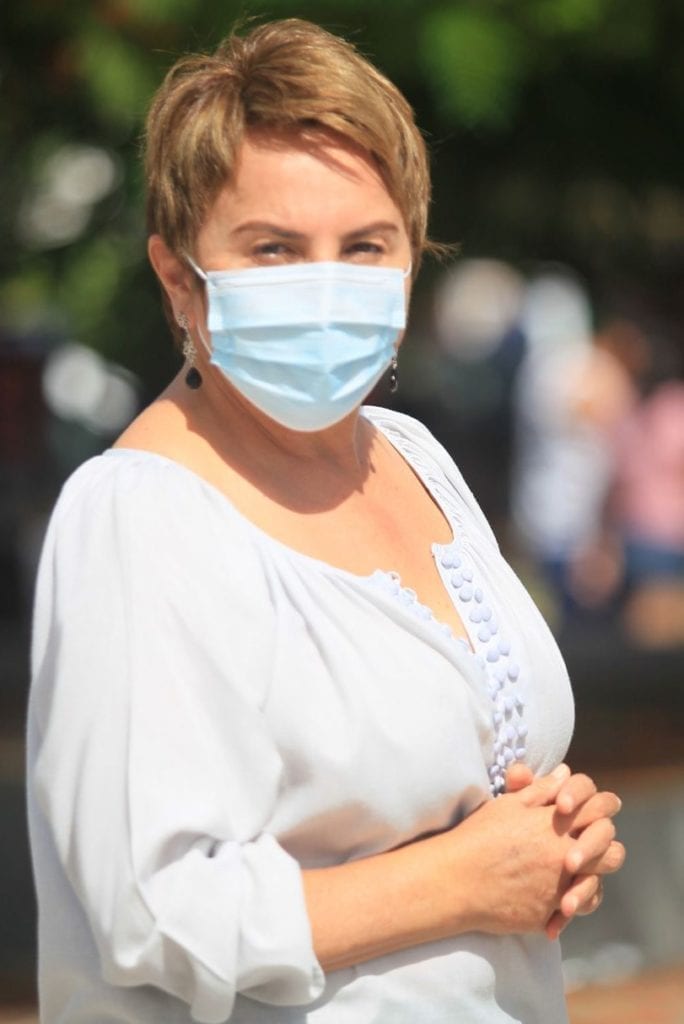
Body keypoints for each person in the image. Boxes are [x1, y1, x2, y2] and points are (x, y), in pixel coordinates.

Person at [27, 18, 624, 1024]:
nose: (323, 283)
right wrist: (467, 880)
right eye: (273, 248)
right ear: (179, 277)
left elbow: (468, 774)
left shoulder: (414, 454)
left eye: (364, 246)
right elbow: (151, 910)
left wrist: (549, 835)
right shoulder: (140, 515)